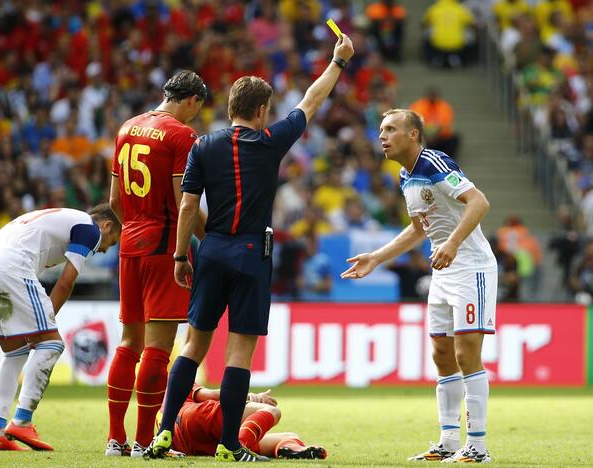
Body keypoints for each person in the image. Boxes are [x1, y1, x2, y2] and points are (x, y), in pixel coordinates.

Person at [146, 34, 354, 462]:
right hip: (252, 254)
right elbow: (311, 102)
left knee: (192, 348)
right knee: (238, 352)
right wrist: (338, 62)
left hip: (213, 250)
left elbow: (187, 206)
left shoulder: (202, 146)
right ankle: (228, 445)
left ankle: (163, 433)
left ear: (228, 109)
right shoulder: (272, 141)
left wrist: (182, 255)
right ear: (262, 111)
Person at [341, 109, 496, 464]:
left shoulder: (434, 163)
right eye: (381, 130)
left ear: (413, 135)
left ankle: (478, 447)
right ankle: (447, 440)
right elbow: (418, 228)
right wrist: (377, 258)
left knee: (466, 353)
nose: (382, 136)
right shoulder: (405, 175)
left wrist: (454, 243)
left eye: (391, 129)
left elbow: (479, 202)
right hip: (443, 269)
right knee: (441, 355)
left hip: (470, 266)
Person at [105, 70, 207, 458]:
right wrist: (209, 237)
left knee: (128, 343)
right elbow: (187, 202)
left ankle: (116, 439)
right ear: (193, 100)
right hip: (164, 246)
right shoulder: (181, 136)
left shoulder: (126, 128)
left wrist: (134, 223)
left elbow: (115, 201)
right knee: (158, 350)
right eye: (198, 107)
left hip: (129, 244)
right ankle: (145, 442)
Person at [0, 204, 121, 451]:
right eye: (112, 241)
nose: (105, 250)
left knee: (14, 352)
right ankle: (22, 420)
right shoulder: (89, 229)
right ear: (106, 225)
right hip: (9, 266)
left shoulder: (61, 219)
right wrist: (46, 322)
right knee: (52, 343)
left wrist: (37, 325)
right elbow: (65, 283)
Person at [169, 385, 327, 460]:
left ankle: (294, 450)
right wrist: (251, 397)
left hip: (186, 444)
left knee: (289, 436)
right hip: (193, 417)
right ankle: (239, 449)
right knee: (271, 411)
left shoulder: (161, 402)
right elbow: (211, 394)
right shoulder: (181, 379)